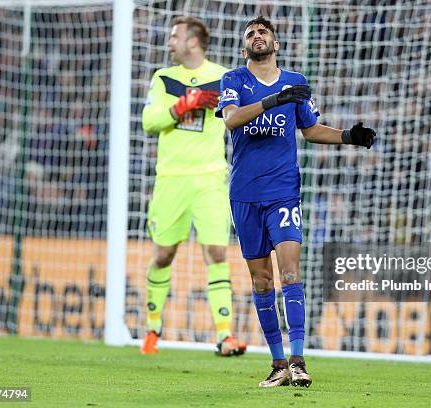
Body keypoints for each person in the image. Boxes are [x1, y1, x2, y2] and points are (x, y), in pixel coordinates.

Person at [216, 16, 375, 388]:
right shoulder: (234, 80)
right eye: (251, 35)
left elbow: (310, 129)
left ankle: (299, 360)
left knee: (290, 272)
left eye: (263, 32)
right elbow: (231, 120)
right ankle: (277, 364)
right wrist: (274, 101)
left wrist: (349, 136)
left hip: (283, 192)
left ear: (276, 44)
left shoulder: (296, 82)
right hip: (244, 195)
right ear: (244, 49)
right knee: (261, 280)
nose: (257, 37)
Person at [140, 16, 245, 357]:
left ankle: (225, 335)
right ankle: (153, 328)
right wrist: (183, 105)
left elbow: (239, 113)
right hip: (172, 179)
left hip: (210, 178)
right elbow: (149, 122)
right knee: (163, 255)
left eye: (175, 37)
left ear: (193, 42)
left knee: (216, 251)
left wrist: (223, 105)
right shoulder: (164, 78)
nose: (169, 42)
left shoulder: (224, 77)